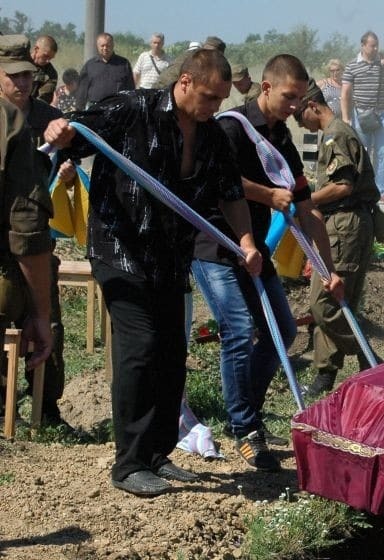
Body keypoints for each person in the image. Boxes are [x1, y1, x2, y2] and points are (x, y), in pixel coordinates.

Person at [44, 48, 262, 497]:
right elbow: (77, 132)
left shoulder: (210, 135)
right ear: (184, 82)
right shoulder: (132, 107)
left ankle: (158, 454)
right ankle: (128, 464)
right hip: (120, 251)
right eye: (207, 97)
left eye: (220, 99)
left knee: (170, 353)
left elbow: (229, 193)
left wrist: (246, 242)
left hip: (171, 258)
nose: (213, 107)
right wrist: (58, 130)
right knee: (140, 347)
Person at [194, 54, 343, 471]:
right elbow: (220, 180)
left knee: (282, 329)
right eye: (288, 97)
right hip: (216, 246)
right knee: (239, 331)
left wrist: (329, 270)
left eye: (299, 99)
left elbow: (306, 206)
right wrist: (266, 195)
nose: (295, 106)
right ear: (265, 87)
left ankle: (251, 416)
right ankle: (242, 428)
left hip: (256, 249)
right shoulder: (230, 128)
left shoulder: (282, 140)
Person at [0, 35, 75, 426]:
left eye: (27, 75)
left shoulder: (48, 117)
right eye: (13, 76)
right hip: (14, 241)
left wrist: (66, 158)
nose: (21, 83)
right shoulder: (8, 124)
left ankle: (46, 407)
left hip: (33, 238)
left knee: (51, 321)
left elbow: (72, 165)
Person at [294, 78, 381, 397]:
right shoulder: (336, 133)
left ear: (313, 107)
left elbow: (343, 186)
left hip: (345, 225)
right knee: (336, 301)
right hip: (342, 223)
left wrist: (303, 201)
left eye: (299, 115)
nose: (299, 123)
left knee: (324, 303)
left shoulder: (336, 136)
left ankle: (369, 359)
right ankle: (325, 374)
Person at [340, 31, 384, 203]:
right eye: (372, 45)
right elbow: (345, 93)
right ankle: (362, 188)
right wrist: (346, 118)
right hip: (361, 113)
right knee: (363, 153)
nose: (376, 48)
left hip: (382, 114)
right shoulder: (352, 65)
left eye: (377, 45)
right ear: (363, 46)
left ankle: (382, 190)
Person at [74, 33, 134, 110]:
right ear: (97, 46)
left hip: (118, 108)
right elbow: (82, 90)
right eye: (102, 46)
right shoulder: (90, 65)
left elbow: (130, 88)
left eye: (108, 45)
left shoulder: (123, 64)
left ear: (113, 45)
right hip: (95, 108)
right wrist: (78, 109)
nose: (105, 48)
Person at [29, 35, 58, 104]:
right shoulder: (19, 61)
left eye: (50, 58)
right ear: (36, 49)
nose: (47, 61)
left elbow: (43, 100)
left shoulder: (50, 73)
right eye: (45, 56)